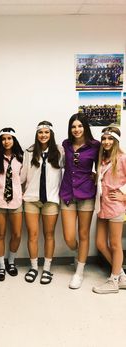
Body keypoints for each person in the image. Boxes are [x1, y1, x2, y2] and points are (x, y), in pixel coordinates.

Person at [59, 113, 100, 289]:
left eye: (80, 126)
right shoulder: (65, 144)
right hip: (68, 193)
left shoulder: (95, 146)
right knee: (69, 237)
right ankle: (79, 254)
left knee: (83, 234)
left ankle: (80, 271)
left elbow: (101, 167)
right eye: (73, 126)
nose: (76, 130)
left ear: (85, 127)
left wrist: (96, 176)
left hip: (86, 193)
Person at [21, 121, 64, 284]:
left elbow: (68, 172)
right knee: (32, 235)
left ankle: (46, 268)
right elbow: (23, 176)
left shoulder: (60, 151)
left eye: (47, 132)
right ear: (37, 134)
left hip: (51, 200)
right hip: (31, 199)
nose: (43, 135)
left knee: (49, 235)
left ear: (51, 134)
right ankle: (33, 268)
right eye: (40, 132)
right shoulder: (29, 152)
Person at [92, 127, 126, 294]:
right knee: (100, 243)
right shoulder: (102, 160)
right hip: (102, 207)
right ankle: (121, 274)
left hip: (116, 208)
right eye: (104, 138)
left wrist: (124, 197)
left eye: (110, 139)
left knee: (115, 244)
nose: (106, 142)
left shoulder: (123, 158)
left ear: (116, 140)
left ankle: (113, 281)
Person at [0, 128, 23, 281]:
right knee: (0, 234)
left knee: (16, 234)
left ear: (14, 140)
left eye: (9, 138)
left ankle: (11, 262)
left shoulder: (22, 158)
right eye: (3, 139)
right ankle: (1, 266)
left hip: (16, 200)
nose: (6, 141)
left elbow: (25, 178)